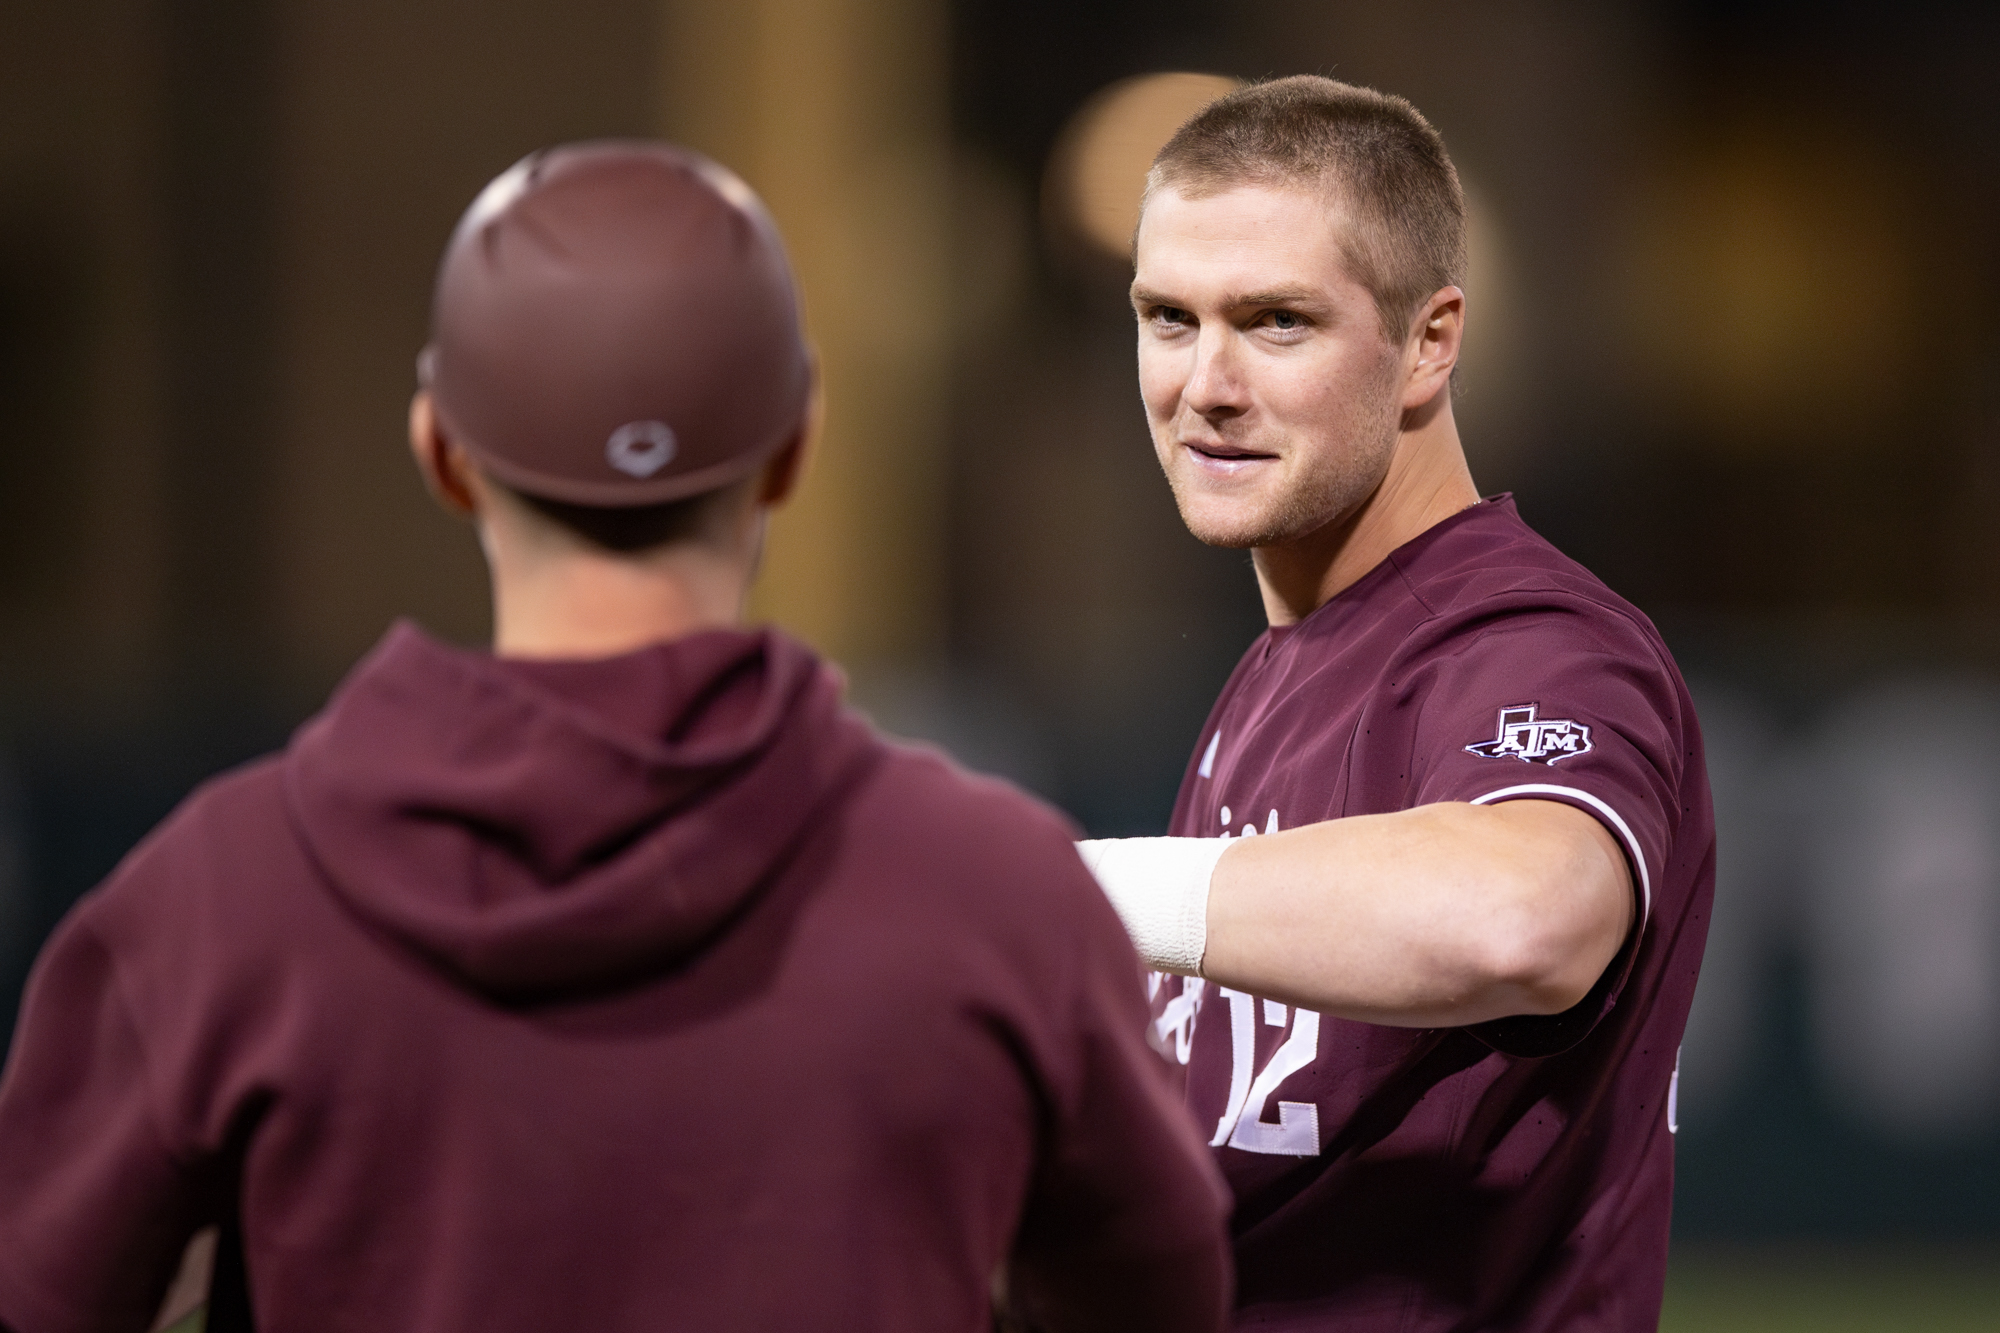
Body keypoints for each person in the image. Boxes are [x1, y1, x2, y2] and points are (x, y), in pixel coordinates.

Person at [0, 142, 1231, 1333]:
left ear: (441, 450)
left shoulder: (216, 902)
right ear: (791, 448)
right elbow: (1159, 1297)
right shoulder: (996, 893)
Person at [1078, 78, 1715, 1330]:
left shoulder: (1523, 638)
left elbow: (1521, 914)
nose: (1203, 383)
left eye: (1274, 322)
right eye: (1167, 317)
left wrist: (1064, 886)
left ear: (1428, 341)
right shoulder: (1287, 665)